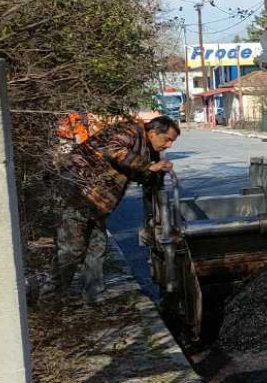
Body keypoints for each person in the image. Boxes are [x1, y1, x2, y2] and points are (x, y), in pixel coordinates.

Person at [36, 115, 179, 305]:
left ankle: (94, 298)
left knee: (97, 248)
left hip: (93, 201)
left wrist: (151, 173)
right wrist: (149, 166)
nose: (169, 145)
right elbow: (113, 150)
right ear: (153, 133)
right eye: (167, 139)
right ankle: (49, 301)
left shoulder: (144, 145)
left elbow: (131, 170)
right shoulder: (131, 131)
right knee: (71, 250)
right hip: (74, 193)